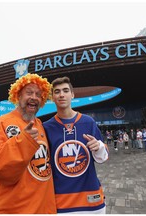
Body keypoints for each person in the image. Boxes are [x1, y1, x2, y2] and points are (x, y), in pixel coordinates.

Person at [0, 73, 56, 214]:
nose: (34, 97)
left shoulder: (40, 124)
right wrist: (23, 141)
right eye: (29, 92)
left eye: (38, 94)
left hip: (42, 208)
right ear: (18, 96)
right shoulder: (1, 123)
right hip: (12, 209)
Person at [43, 76, 108, 214]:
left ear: (72, 95)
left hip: (91, 201)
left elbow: (102, 158)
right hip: (61, 203)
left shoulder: (88, 122)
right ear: (52, 97)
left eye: (65, 90)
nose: (61, 94)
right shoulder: (46, 127)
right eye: (57, 91)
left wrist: (98, 147)